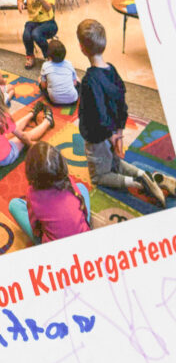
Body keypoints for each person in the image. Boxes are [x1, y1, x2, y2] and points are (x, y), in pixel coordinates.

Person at [76, 19, 165, 206]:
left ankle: (137, 184)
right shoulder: (113, 70)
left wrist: (111, 137)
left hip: (97, 138)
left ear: (82, 48)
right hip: (113, 132)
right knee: (114, 162)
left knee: (100, 176)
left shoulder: (89, 81)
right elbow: (121, 104)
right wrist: (118, 134)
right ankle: (142, 174)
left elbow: (98, 116)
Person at [8, 141, 91, 244]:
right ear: (61, 164)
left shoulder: (32, 194)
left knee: (14, 204)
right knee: (81, 187)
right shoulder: (68, 181)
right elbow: (84, 210)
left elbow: (35, 227)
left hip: (54, 249)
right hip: (85, 237)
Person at [17, 0, 58, 68]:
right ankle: (30, 56)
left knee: (36, 34)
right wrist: (20, 3)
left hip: (48, 21)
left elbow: (49, 8)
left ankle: (49, 57)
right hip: (33, 20)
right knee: (26, 35)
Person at [0, 101, 53, 168]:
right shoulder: (2, 117)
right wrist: (31, 144)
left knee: (12, 126)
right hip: (5, 158)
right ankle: (48, 121)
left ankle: (32, 113)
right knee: (26, 135)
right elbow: (23, 136)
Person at [38, 38, 80, 106]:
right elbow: (74, 84)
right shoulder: (69, 63)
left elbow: (43, 86)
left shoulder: (45, 65)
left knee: (40, 79)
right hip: (73, 100)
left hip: (54, 101)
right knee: (77, 79)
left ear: (49, 56)